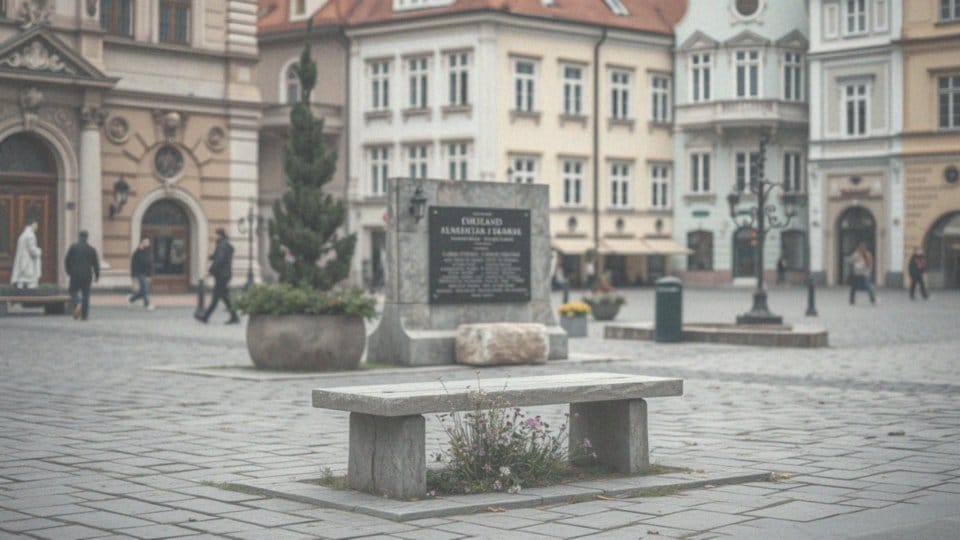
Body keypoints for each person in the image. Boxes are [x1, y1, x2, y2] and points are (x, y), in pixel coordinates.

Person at [196, 228, 239, 324]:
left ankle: (205, 317)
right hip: (225, 274)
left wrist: (210, 271)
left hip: (221, 275)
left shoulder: (221, 245)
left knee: (216, 297)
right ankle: (234, 316)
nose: (214, 236)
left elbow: (219, 260)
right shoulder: (225, 245)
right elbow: (219, 257)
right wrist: (210, 256)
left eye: (215, 234)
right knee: (225, 297)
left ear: (220, 235)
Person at [64, 230, 100, 320]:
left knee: (72, 290)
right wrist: (97, 275)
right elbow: (95, 264)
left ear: (79, 237)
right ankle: (84, 316)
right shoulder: (91, 249)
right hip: (87, 275)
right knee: (86, 295)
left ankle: (77, 302)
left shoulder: (73, 247)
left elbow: (67, 260)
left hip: (75, 274)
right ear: (87, 238)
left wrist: (68, 271)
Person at [10, 220, 42, 289]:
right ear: (33, 224)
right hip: (28, 263)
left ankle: (19, 295)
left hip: (22, 262)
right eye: (36, 224)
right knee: (30, 282)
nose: (37, 227)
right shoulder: (30, 235)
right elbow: (32, 249)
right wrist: (39, 251)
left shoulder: (23, 235)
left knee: (21, 280)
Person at [128, 237, 155, 311]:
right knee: (145, 290)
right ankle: (147, 304)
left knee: (143, 291)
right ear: (141, 243)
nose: (147, 243)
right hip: (140, 273)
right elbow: (133, 264)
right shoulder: (137, 252)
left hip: (146, 274)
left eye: (148, 242)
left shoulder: (148, 251)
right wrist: (133, 276)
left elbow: (150, 264)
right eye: (145, 242)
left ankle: (131, 299)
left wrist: (150, 275)